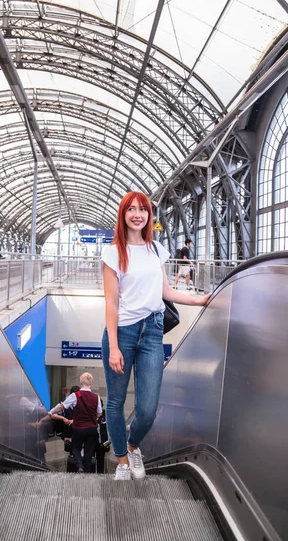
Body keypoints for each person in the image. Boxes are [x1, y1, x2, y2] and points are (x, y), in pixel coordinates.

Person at [101, 191, 210, 481]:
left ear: (149, 215)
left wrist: (199, 300)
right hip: (122, 333)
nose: (138, 214)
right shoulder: (113, 253)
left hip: (152, 331)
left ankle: (133, 446)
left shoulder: (156, 250)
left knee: (148, 408)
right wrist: (113, 346)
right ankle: (122, 461)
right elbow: (111, 303)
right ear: (123, 214)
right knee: (115, 401)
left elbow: (166, 292)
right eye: (131, 209)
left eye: (143, 209)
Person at [49, 373, 102, 473]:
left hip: (79, 428)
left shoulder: (75, 396)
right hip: (92, 429)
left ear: (81, 382)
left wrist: (51, 412)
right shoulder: (96, 397)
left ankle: (79, 466)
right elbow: (99, 413)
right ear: (91, 383)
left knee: (75, 448)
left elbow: (62, 406)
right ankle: (86, 471)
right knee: (89, 451)